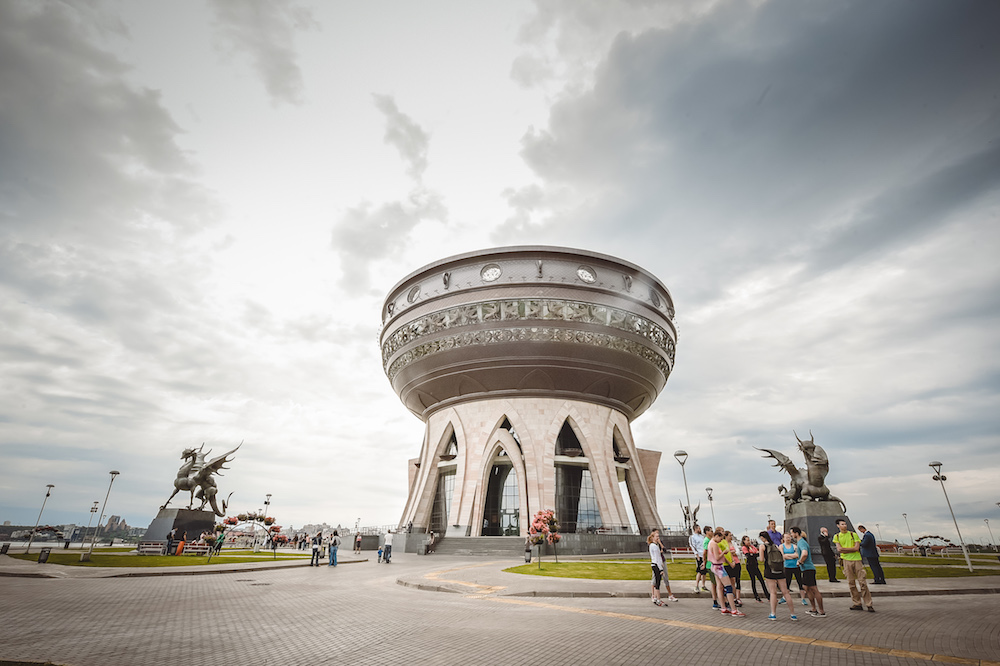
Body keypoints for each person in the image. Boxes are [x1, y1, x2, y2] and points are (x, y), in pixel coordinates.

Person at [833, 519, 873, 612]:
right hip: (846, 561)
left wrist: (845, 549)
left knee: (862, 582)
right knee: (851, 583)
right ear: (838, 526)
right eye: (842, 524)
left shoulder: (853, 534)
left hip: (857, 560)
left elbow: (856, 548)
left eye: (845, 524)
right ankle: (857, 603)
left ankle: (869, 604)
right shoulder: (837, 536)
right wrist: (850, 549)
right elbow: (839, 549)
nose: (845, 525)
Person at [707, 527, 745, 617]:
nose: (721, 540)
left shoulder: (711, 543)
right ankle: (734, 609)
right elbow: (717, 557)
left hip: (714, 566)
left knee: (720, 587)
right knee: (728, 587)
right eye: (720, 538)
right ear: (716, 536)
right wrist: (724, 552)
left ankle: (724, 608)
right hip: (719, 567)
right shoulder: (714, 544)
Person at [759, 531, 797, 621]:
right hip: (780, 570)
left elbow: (761, 559)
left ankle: (773, 613)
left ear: (762, 538)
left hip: (769, 570)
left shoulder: (762, 546)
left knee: (773, 592)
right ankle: (793, 614)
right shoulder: (776, 545)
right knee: (786, 592)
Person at [791, 526, 825, 617]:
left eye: (792, 533)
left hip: (808, 568)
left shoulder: (801, 542)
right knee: (807, 588)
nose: (791, 535)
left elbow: (804, 553)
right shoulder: (800, 542)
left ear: (796, 533)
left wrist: (800, 561)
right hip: (806, 569)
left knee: (813, 589)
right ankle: (813, 609)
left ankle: (821, 611)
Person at [781, 532, 808, 607]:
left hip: (796, 566)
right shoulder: (781, 546)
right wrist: (791, 556)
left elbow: (797, 555)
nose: (788, 539)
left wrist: (788, 555)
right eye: (786, 537)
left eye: (789, 537)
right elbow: (783, 556)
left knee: (800, 582)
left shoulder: (794, 546)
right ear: (783, 538)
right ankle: (785, 597)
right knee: (787, 583)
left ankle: (803, 598)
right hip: (787, 567)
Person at [741, 535, 767, 602]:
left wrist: (754, 554)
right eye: (747, 540)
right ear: (744, 541)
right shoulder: (744, 547)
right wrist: (754, 554)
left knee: (761, 580)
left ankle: (767, 595)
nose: (749, 541)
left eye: (749, 540)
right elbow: (748, 556)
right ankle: (756, 596)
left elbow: (758, 553)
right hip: (750, 566)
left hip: (755, 565)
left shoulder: (752, 547)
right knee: (753, 581)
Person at [724, 531, 743, 606]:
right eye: (729, 535)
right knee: (730, 580)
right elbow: (726, 553)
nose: (731, 537)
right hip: (729, 564)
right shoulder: (724, 543)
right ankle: (730, 597)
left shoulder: (733, 543)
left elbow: (737, 552)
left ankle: (736, 598)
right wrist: (732, 552)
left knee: (736, 580)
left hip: (736, 562)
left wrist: (732, 552)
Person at [702, 527, 719, 608]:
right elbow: (704, 552)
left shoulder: (711, 540)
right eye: (711, 531)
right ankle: (715, 601)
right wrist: (704, 562)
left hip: (714, 563)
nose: (712, 532)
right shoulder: (707, 540)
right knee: (714, 583)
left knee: (716, 583)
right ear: (707, 532)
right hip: (710, 564)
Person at [689, 525, 707, 593]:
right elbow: (693, 546)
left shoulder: (702, 537)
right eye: (699, 528)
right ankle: (696, 585)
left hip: (703, 554)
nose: (700, 529)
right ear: (695, 529)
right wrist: (696, 554)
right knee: (700, 570)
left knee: (704, 572)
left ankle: (703, 585)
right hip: (699, 555)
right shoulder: (692, 537)